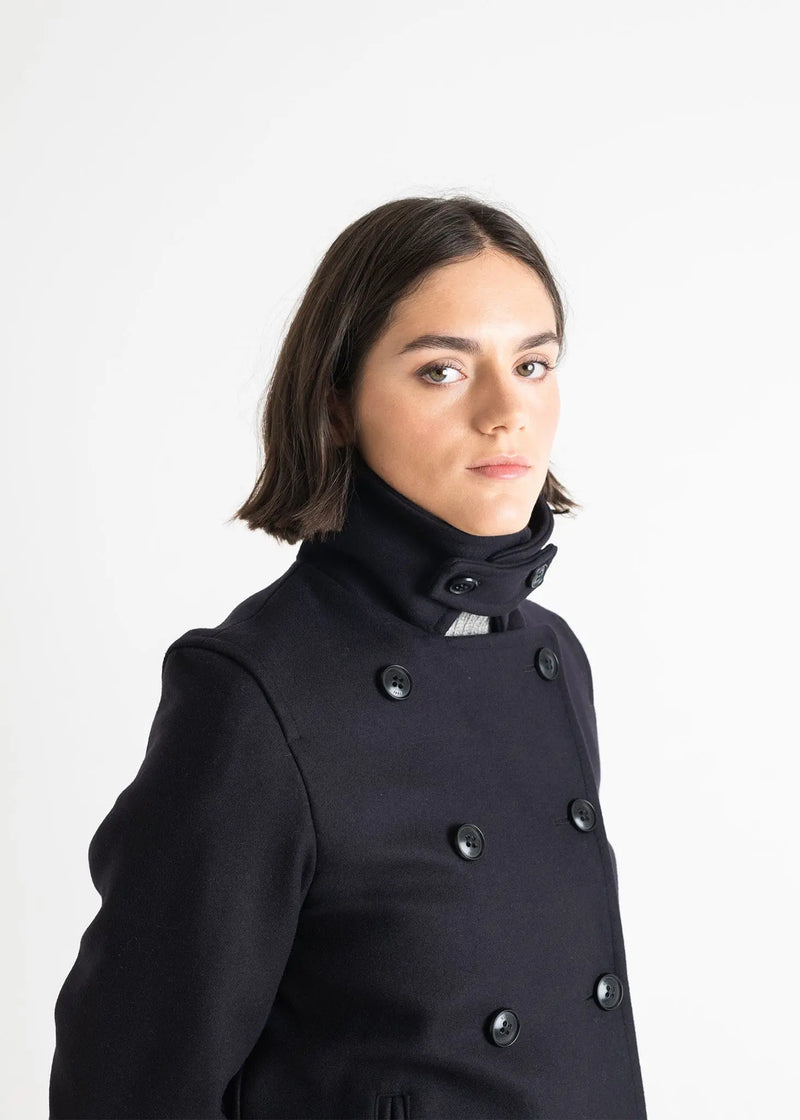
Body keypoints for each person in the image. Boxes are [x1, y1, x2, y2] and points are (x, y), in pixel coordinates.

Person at [49, 195, 648, 1119]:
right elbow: (129, 1087)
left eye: (533, 364)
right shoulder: (257, 694)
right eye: (443, 370)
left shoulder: (552, 655)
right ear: (337, 404)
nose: (507, 413)